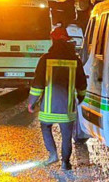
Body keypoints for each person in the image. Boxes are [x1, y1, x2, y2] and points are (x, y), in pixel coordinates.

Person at [28, 25, 88, 170]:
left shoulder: (45, 59)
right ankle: (65, 162)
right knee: (66, 135)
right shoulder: (75, 60)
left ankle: (53, 155)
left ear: (53, 39)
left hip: (48, 107)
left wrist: (32, 102)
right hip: (67, 108)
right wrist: (80, 98)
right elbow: (81, 84)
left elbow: (38, 84)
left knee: (45, 127)